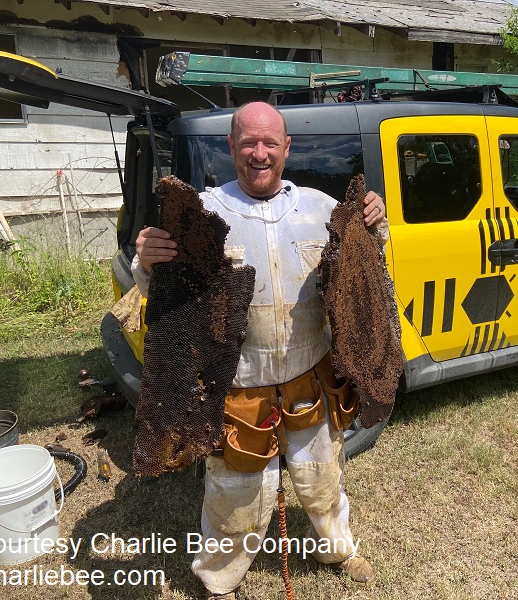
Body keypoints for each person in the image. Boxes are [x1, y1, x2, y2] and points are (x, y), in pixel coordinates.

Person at [131, 101, 387, 599]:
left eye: (271, 142)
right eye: (248, 141)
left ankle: (339, 548)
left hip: (308, 379)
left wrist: (374, 225)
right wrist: (147, 261)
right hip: (237, 387)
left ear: (287, 148)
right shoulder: (202, 213)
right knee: (236, 493)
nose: (260, 152)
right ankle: (219, 576)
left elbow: (366, 268)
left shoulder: (321, 208)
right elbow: (157, 290)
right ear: (231, 147)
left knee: (321, 479)